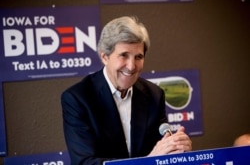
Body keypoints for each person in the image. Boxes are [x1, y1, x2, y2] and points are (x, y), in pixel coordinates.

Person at [61, 16, 192, 165]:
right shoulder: (78, 99)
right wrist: (148, 161)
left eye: (138, 57)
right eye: (124, 55)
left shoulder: (154, 95)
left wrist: (175, 149)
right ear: (104, 57)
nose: (131, 66)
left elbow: (161, 151)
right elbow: (84, 162)